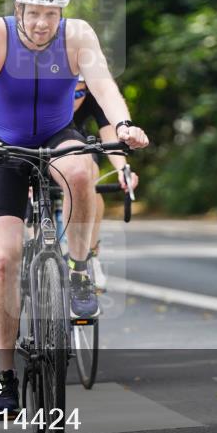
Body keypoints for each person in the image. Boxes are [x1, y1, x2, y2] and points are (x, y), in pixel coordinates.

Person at [0, 0, 149, 417]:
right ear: (18, 9)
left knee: (81, 172)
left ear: (61, 13)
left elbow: (103, 86)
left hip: (57, 135)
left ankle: (77, 272)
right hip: (1, 144)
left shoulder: (77, 36)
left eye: (50, 14)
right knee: (3, 259)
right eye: (33, 13)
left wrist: (126, 126)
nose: (41, 23)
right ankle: (6, 376)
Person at [71, 80, 139, 292]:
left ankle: (90, 254)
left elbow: (108, 132)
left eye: (77, 95)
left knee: (90, 182)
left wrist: (122, 169)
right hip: (35, 141)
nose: (71, 100)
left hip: (74, 140)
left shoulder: (93, 91)